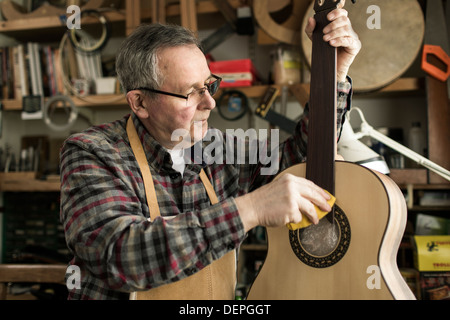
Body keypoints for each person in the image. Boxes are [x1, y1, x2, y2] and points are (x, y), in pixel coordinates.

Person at [60, 5, 361, 300]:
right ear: (139, 103)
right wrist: (251, 209)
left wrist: (332, 73)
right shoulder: (92, 153)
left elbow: (305, 159)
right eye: (191, 92)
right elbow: (122, 257)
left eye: (209, 85)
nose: (210, 103)